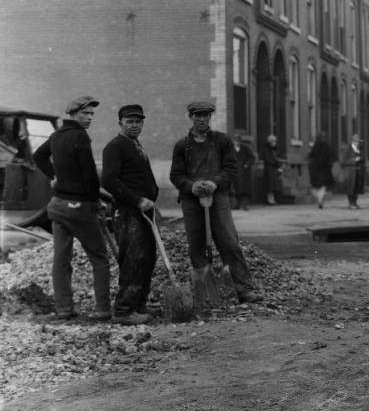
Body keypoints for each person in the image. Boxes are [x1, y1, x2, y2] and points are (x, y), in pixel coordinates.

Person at [169, 101, 259, 305]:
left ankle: (243, 289)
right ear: (190, 117)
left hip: (218, 198)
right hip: (191, 201)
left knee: (229, 242)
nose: (202, 119)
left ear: (210, 117)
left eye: (206, 115)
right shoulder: (182, 146)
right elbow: (176, 175)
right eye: (197, 115)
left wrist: (215, 182)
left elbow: (231, 169)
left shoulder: (222, 141)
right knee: (196, 245)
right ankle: (207, 294)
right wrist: (191, 186)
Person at [33, 95, 112, 321]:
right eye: (84, 114)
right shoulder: (80, 136)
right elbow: (89, 175)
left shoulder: (56, 135)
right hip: (79, 207)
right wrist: (96, 202)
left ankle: (64, 309)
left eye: (91, 114)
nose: (89, 118)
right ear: (73, 114)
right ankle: (103, 310)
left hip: (58, 206)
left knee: (61, 260)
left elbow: (38, 156)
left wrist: (54, 177)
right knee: (100, 258)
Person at [101, 103, 158, 325]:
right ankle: (124, 310)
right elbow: (109, 181)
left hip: (144, 211)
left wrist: (150, 200)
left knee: (147, 258)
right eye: (129, 122)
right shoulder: (115, 147)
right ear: (120, 123)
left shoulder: (135, 144)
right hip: (128, 212)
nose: (134, 125)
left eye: (138, 121)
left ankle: (138, 303)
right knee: (134, 259)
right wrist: (137, 200)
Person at [307, 131, 335, 209]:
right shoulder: (328, 146)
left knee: (316, 186)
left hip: (316, 169)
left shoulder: (316, 146)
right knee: (322, 186)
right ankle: (320, 201)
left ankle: (319, 200)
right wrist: (330, 163)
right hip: (325, 169)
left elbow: (310, 155)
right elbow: (333, 156)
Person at [339, 133, 365, 210]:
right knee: (351, 188)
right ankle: (351, 203)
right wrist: (354, 160)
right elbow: (343, 161)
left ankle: (355, 202)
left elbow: (363, 158)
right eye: (357, 142)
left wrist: (361, 160)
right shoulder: (347, 149)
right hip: (350, 172)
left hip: (358, 171)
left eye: (359, 142)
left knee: (357, 187)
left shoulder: (359, 149)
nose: (358, 144)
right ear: (353, 142)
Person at [231, 133, 256, 211]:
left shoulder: (245, 148)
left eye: (238, 141)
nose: (236, 143)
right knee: (237, 188)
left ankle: (245, 205)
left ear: (240, 142)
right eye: (235, 141)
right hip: (235, 171)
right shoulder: (231, 149)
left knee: (245, 189)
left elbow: (252, 157)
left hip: (244, 172)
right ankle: (237, 204)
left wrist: (247, 164)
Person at [263, 133, 283, 205]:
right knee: (270, 186)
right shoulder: (267, 149)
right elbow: (268, 159)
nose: (274, 143)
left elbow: (278, 157)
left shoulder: (275, 149)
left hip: (275, 169)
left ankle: (274, 199)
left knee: (275, 185)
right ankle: (270, 200)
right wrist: (276, 162)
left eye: (275, 141)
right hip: (269, 169)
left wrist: (279, 164)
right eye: (273, 141)